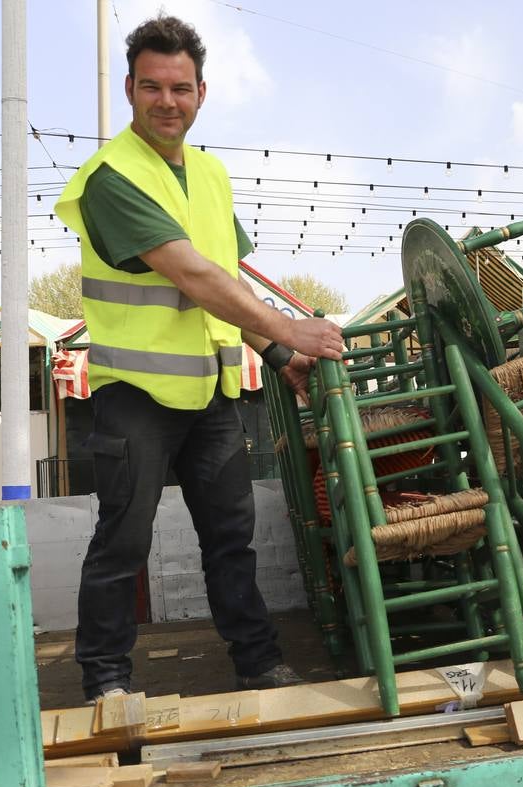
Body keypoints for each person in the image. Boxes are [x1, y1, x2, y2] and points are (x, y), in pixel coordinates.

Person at [55, 14, 344, 703]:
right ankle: (106, 680)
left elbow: (228, 280)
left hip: (210, 393)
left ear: (202, 93)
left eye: (180, 88)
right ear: (129, 89)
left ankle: (257, 661)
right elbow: (193, 275)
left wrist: (276, 353)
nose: (166, 101)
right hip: (134, 395)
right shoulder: (110, 177)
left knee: (231, 536)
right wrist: (291, 327)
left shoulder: (211, 175)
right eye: (151, 87)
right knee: (124, 542)